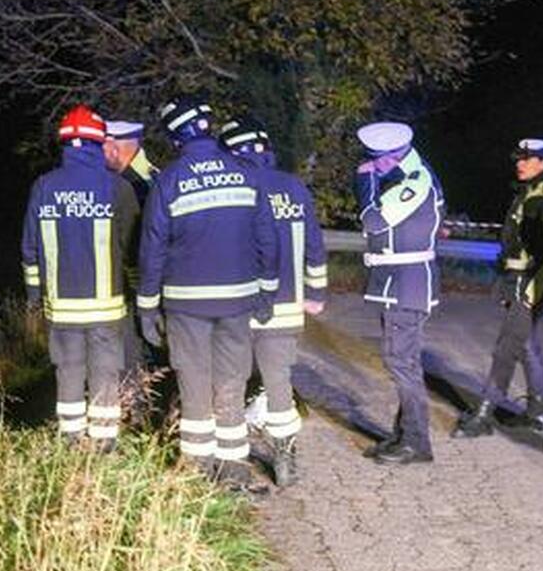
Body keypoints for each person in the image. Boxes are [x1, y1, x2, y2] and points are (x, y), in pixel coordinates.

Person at [137, 94, 278, 487]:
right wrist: (267, 294)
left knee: (195, 383)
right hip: (237, 302)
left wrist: (147, 308)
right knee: (232, 383)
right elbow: (267, 238)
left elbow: (153, 249)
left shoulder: (168, 180)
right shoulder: (245, 172)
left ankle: (196, 476)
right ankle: (233, 472)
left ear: (174, 137)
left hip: (187, 307)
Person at [21, 104, 139, 451]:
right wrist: (138, 293)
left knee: (68, 371)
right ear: (98, 143)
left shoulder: (44, 187)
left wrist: (33, 297)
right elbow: (133, 247)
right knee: (105, 372)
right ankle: (104, 447)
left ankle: (70, 443)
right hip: (106, 310)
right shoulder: (117, 187)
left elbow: (30, 249)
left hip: (61, 310)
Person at [219, 115, 327, 486]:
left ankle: (231, 461)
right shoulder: (295, 187)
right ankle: (284, 456)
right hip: (287, 307)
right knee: (279, 380)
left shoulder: (237, 186)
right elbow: (314, 245)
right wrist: (315, 294)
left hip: (242, 305)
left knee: (231, 378)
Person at [353, 121, 445, 465]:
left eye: (376, 160)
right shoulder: (406, 177)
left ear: (393, 157)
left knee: (401, 362)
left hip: (406, 282)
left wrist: (365, 182)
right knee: (402, 360)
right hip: (399, 280)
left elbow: (373, 222)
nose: (371, 165)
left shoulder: (415, 181)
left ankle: (417, 442)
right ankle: (405, 433)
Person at [453, 138, 543, 437]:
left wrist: (532, 290)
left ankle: (484, 414)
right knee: (526, 346)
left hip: (530, 282)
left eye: (527, 158)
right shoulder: (529, 192)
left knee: (506, 348)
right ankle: (538, 413)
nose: (519, 163)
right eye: (519, 158)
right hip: (519, 279)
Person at [103, 120, 162, 386]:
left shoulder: (131, 185)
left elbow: (137, 245)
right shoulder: (155, 175)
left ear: (114, 149)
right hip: (157, 288)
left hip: (139, 290)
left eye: (101, 147)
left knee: (139, 355)